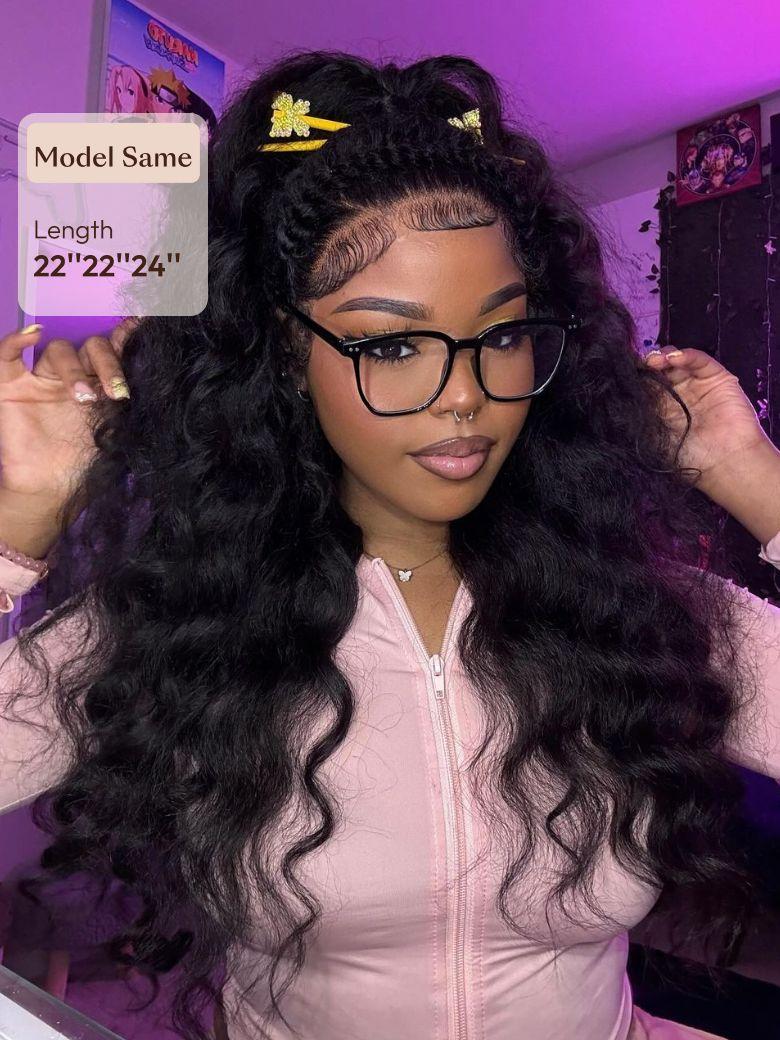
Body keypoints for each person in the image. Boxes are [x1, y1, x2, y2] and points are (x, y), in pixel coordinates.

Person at [1, 50, 780, 1040]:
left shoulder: (636, 613)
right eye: (392, 344)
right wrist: (13, 528)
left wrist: (758, 481)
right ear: (288, 356)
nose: (466, 397)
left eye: (502, 335)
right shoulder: (176, 623)